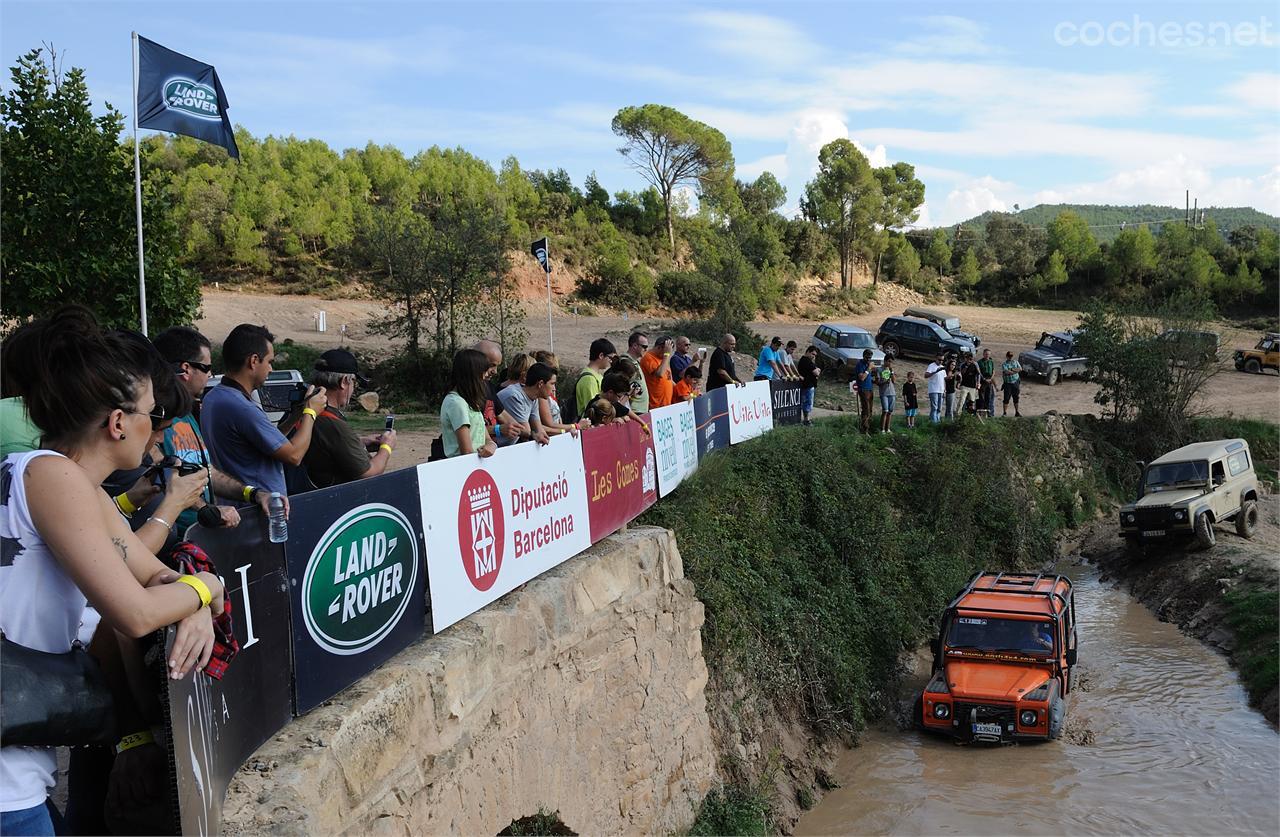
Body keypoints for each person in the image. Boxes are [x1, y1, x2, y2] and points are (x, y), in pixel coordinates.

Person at [0, 307, 226, 835]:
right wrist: (206, 588)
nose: (158, 430)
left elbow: (149, 575)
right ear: (118, 421)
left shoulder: (60, 476)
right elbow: (135, 612)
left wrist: (190, 602)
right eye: (152, 413)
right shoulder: (53, 477)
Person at [151, 326, 273, 531]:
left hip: (201, 533)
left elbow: (209, 473)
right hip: (172, 536)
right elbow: (160, 474)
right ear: (186, 369)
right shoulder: (156, 418)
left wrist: (254, 493)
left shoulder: (187, 415)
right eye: (207, 368)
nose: (210, 375)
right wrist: (207, 509)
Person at [201, 324, 326, 498]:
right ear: (253, 361)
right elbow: (294, 455)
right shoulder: (241, 407)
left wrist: (296, 414)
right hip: (258, 510)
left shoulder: (215, 396)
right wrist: (311, 412)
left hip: (234, 504)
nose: (271, 369)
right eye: (269, 362)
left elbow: (269, 441)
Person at [299, 349, 396, 488]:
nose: (353, 389)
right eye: (354, 382)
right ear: (345, 381)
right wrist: (387, 446)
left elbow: (328, 447)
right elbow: (369, 473)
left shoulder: (306, 411)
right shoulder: (332, 423)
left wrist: (359, 442)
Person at [441, 349, 496, 458]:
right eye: (483, 371)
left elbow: (487, 438)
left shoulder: (470, 401)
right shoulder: (456, 403)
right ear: (473, 374)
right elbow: (466, 452)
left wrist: (491, 445)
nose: (486, 375)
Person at [496, 362, 554, 445]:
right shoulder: (514, 396)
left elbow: (539, 430)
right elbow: (526, 431)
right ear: (540, 384)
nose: (554, 389)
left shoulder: (534, 398)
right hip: (496, 448)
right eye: (552, 384)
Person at [533, 351, 585, 435]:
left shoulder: (550, 390)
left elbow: (557, 416)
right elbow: (549, 424)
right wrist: (575, 426)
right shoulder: (541, 395)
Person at [574, 338, 616, 418]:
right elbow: (595, 408)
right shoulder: (589, 379)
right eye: (610, 358)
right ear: (601, 356)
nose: (611, 361)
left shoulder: (598, 376)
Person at [640, 336, 675, 409]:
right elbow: (660, 374)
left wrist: (680, 388)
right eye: (666, 351)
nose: (668, 353)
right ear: (659, 347)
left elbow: (669, 377)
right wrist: (666, 355)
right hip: (655, 404)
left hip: (666, 403)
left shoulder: (663, 358)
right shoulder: (648, 357)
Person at [850, 349, 876, 434]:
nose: (868, 359)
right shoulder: (860, 365)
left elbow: (869, 375)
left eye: (870, 358)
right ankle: (864, 430)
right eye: (867, 357)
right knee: (866, 410)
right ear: (863, 356)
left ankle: (868, 427)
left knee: (870, 410)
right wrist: (868, 369)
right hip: (863, 389)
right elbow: (862, 377)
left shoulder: (868, 364)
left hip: (870, 388)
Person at [625, 332, 650, 414]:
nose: (646, 349)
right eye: (644, 346)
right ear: (635, 345)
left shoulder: (634, 362)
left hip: (640, 410)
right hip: (634, 411)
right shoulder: (626, 362)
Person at [796, 345, 819, 426]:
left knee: (808, 402)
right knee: (807, 403)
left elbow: (816, 370)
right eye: (813, 354)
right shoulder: (806, 361)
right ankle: (806, 420)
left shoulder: (808, 361)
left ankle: (807, 419)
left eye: (815, 355)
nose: (813, 356)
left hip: (809, 385)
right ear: (808, 352)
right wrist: (817, 370)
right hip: (807, 385)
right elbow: (816, 372)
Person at [925, 351, 947, 424]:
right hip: (933, 389)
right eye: (939, 359)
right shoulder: (931, 366)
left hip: (941, 390)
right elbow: (926, 375)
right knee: (934, 407)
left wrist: (944, 390)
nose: (941, 361)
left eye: (942, 360)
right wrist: (935, 372)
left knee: (939, 408)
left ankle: (937, 421)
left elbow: (944, 380)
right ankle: (933, 423)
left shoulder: (942, 367)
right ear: (935, 358)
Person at [877, 356, 897, 433]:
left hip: (892, 392)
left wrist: (891, 372)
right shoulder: (879, 369)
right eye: (888, 361)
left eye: (891, 362)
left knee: (890, 412)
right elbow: (878, 382)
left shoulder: (891, 370)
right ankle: (882, 429)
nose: (890, 363)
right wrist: (884, 382)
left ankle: (887, 429)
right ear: (885, 361)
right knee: (885, 410)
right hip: (884, 393)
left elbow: (894, 381)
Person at [1001, 351, 1023, 417]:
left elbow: (1020, 369)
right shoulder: (1004, 364)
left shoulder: (1015, 362)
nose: (1010, 357)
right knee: (1006, 398)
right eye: (1009, 356)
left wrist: (1011, 370)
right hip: (1008, 383)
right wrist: (1015, 371)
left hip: (1015, 382)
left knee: (1016, 397)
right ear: (1007, 356)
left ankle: (1017, 412)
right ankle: (1004, 412)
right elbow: (1006, 371)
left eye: (1011, 356)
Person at [958, 351, 980, 416]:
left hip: (973, 386)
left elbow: (978, 374)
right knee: (962, 400)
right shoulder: (963, 364)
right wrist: (966, 366)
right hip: (964, 385)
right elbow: (961, 374)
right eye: (967, 358)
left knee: (972, 402)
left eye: (971, 359)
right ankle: (958, 414)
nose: (969, 360)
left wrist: (978, 383)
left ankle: (970, 415)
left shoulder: (975, 364)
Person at [978, 348, 997, 418]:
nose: (987, 355)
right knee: (982, 397)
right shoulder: (980, 362)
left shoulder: (991, 361)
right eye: (986, 354)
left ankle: (988, 414)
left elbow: (993, 371)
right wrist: (984, 379)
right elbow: (979, 372)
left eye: (988, 354)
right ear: (983, 354)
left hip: (990, 380)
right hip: (983, 381)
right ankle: (981, 413)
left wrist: (991, 378)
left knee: (988, 397)